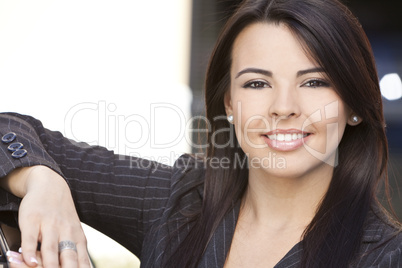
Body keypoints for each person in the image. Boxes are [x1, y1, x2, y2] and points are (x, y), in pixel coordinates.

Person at [0, 0, 401, 267]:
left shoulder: (386, 256)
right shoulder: (176, 200)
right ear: (228, 104)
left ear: (353, 106)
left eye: (314, 83)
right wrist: (44, 183)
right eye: (257, 84)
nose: (284, 107)